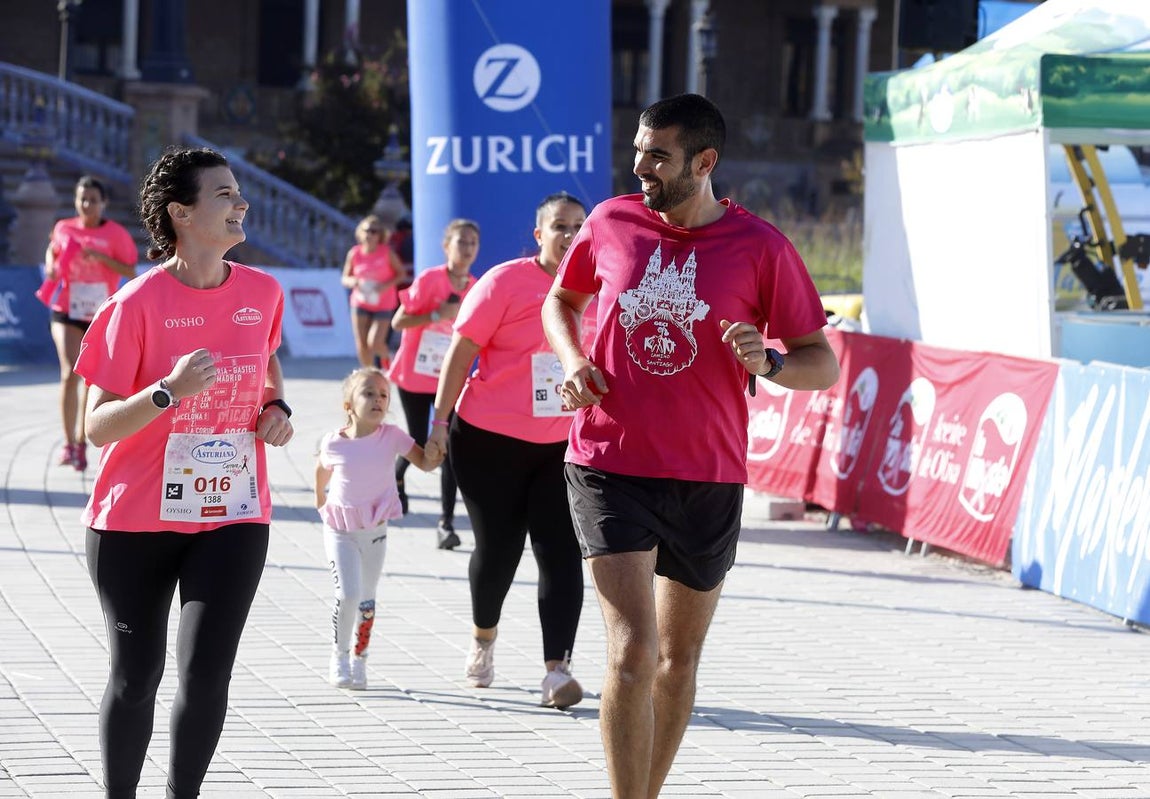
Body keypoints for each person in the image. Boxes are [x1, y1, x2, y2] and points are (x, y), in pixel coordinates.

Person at [541, 94, 841, 798]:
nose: (640, 166)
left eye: (659, 156)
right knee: (634, 651)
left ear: (704, 162)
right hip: (607, 461)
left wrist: (767, 362)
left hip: (707, 474)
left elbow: (819, 361)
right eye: (640, 150)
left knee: (677, 659)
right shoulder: (612, 221)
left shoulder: (761, 247)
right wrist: (574, 361)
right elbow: (562, 301)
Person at [75, 146, 295, 799]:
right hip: (136, 517)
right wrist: (166, 392)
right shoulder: (137, 303)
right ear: (182, 212)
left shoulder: (263, 292)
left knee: (206, 674)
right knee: (137, 673)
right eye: (224, 194)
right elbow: (96, 423)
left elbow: (266, 365)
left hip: (232, 513)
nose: (240, 204)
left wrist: (275, 406)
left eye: (237, 192)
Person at [426, 193, 592, 708]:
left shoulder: (602, 288)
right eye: (559, 226)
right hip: (487, 441)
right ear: (539, 234)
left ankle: (557, 670)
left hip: (562, 448)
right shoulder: (504, 281)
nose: (569, 235)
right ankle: (483, 640)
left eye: (579, 227)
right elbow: (461, 353)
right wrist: (437, 424)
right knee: (498, 552)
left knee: (561, 552)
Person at [315, 366, 443, 690]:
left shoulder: (392, 437)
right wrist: (320, 502)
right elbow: (321, 471)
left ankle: (360, 658)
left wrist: (435, 452)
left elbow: (424, 463)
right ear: (348, 405)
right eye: (368, 393)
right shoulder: (334, 443)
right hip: (340, 530)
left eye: (383, 394)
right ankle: (339, 655)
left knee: (367, 600)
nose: (377, 399)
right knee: (348, 595)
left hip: (374, 531)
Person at [388, 218, 481, 549]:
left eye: (472, 242)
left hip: (450, 377)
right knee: (418, 438)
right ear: (447, 246)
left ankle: (446, 522)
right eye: (461, 242)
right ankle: (396, 475)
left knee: (449, 447)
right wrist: (436, 315)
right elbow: (399, 321)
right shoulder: (430, 279)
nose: (467, 248)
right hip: (415, 375)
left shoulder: (476, 286)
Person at [41, 176, 138, 471]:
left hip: (99, 315)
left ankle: (82, 442)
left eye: (93, 200)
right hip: (67, 310)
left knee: (90, 379)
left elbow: (131, 270)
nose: (86, 205)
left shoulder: (116, 235)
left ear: (103, 203)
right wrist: (50, 265)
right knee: (69, 372)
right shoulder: (64, 227)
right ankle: (68, 443)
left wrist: (99, 257)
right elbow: (53, 250)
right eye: (82, 199)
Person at [341, 214, 406, 367]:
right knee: (362, 344)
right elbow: (345, 278)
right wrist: (354, 281)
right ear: (360, 233)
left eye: (374, 231)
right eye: (367, 231)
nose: (370, 234)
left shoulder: (386, 252)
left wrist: (385, 285)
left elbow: (401, 274)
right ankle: (368, 374)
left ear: (380, 235)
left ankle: (391, 361)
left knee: (375, 343)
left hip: (383, 302)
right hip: (360, 301)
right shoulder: (355, 253)